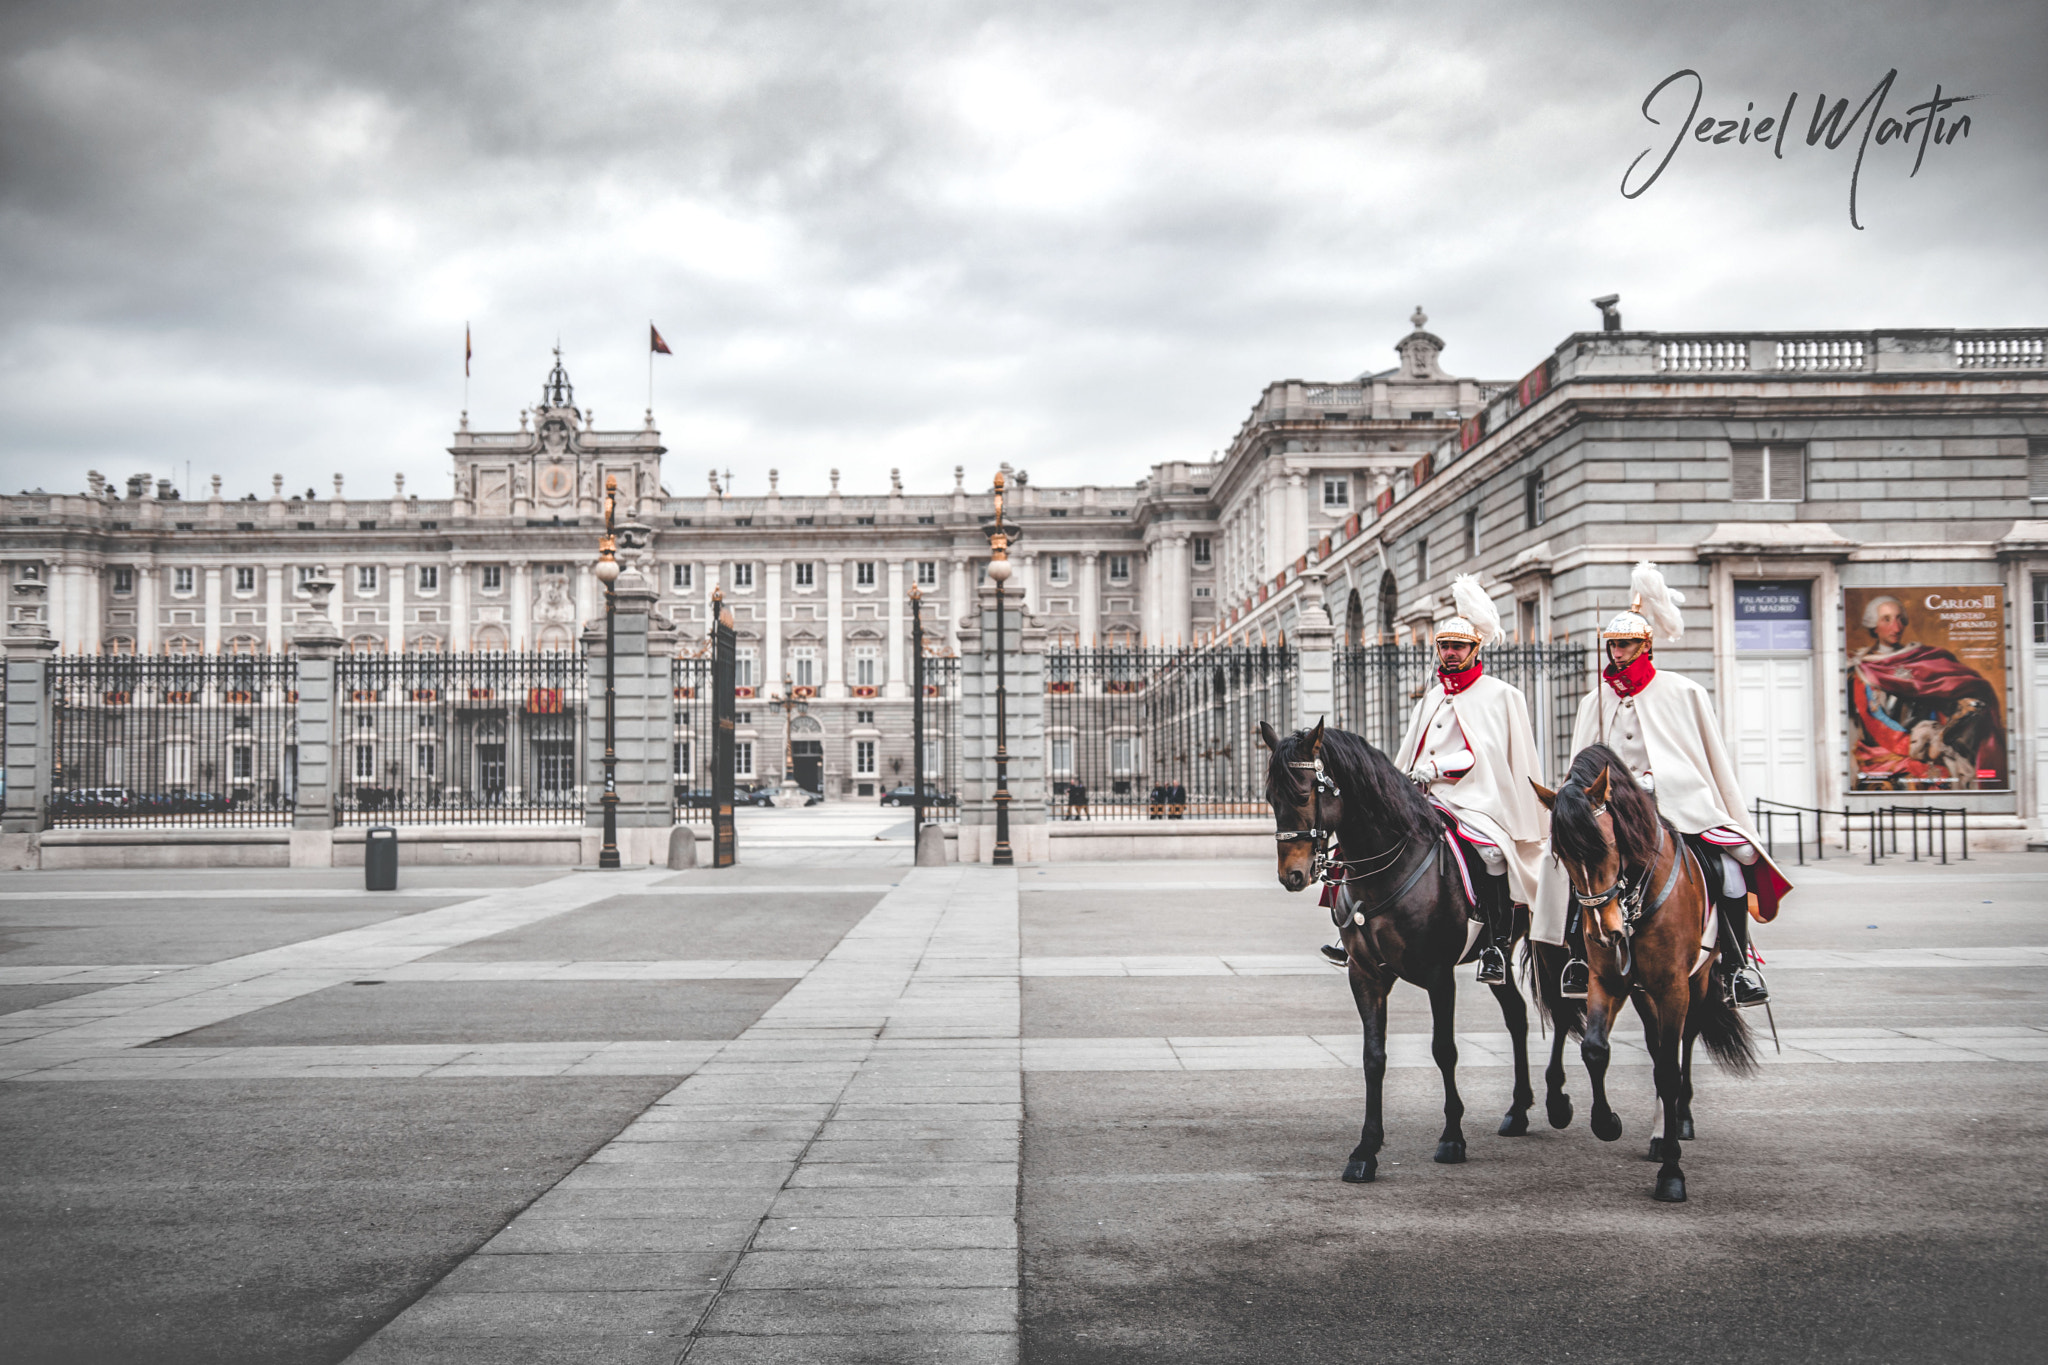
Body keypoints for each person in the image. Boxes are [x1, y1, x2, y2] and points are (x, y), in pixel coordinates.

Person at [1535, 562, 1790, 1005]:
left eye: (1626, 644)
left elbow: (1703, 758)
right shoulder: (1594, 701)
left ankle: (1735, 964)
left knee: (1734, 861)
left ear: (1646, 645)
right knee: (1561, 865)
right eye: (1612, 645)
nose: (1617, 653)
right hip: (1611, 814)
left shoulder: (1682, 691)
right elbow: (1580, 767)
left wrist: (1658, 779)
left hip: (1677, 805)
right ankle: (1576, 955)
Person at [1322, 575, 1546, 985]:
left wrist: (1439, 769)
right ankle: (1351, 929)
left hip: (1476, 797)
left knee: (1493, 853)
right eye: (1443, 646)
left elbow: (1489, 750)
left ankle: (1496, 943)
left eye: (1458, 646)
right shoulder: (1431, 696)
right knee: (1363, 843)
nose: (1449, 653)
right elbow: (1413, 750)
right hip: (1422, 796)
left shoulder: (1499, 695)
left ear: (1475, 648)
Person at [1848, 594, 2004, 790]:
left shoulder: (1921, 658)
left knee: (1955, 777)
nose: (1896, 627)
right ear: (1873, 626)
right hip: (1887, 750)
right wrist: (1914, 745)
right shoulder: (1864, 670)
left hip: (1930, 744)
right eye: (1886, 619)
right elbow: (1875, 717)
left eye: (1900, 619)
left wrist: (1958, 716)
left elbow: (1937, 700)